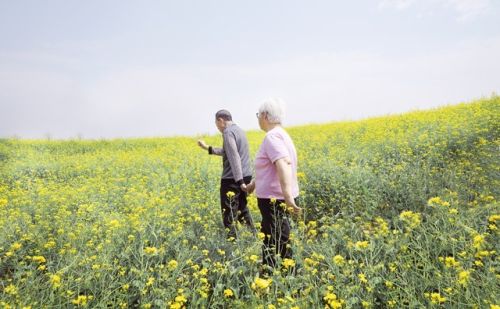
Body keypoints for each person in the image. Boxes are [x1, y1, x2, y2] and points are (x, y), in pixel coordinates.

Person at [244, 98, 301, 269]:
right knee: (272, 238)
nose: (257, 119)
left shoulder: (272, 137)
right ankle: (271, 273)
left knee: (278, 241)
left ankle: (287, 278)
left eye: (258, 115)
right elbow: (271, 168)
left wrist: (288, 197)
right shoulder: (282, 134)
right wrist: (253, 185)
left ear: (265, 115)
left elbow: (283, 163)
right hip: (277, 198)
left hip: (274, 200)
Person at [197, 109, 255, 239]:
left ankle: (232, 242)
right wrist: (207, 148)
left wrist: (239, 181)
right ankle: (254, 237)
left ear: (221, 120)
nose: (217, 127)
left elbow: (234, 157)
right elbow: (228, 151)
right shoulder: (239, 130)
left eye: (216, 123)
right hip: (246, 175)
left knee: (228, 211)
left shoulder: (228, 132)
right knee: (242, 209)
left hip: (233, 178)